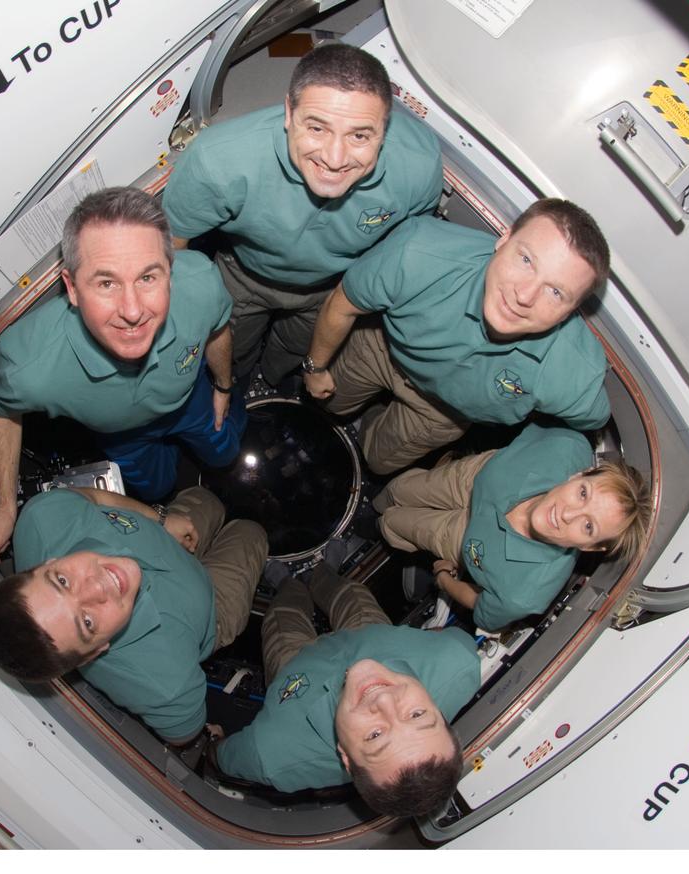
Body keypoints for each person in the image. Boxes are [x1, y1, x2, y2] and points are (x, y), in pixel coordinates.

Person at [0, 186, 244, 563]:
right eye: (106, 283)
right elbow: (1, 411)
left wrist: (223, 384)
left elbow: (217, 329)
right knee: (157, 486)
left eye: (148, 278)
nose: (132, 311)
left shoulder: (198, 282)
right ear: (71, 288)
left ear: (171, 271)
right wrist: (6, 506)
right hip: (124, 439)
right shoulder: (32, 367)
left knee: (225, 449)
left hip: (192, 401)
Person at [163, 42, 442, 386]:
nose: (335, 158)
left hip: (330, 289)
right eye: (317, 128)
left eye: (359, 135)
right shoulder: (218, 159)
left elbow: (409, 244)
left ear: (385, 131)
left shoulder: (419, 163)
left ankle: (276, 381)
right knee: (233, 352)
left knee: (294, 352)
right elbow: (171, 248)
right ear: (288, 113)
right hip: (243, 277)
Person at [303, 198, 612, 475]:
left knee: (378, 461)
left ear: (571, 312)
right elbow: (341, 303)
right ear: (504, 238)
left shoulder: (574, 375)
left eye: (556, 292)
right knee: (331, 406)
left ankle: (372, 423)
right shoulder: (419, 252)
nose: (525, 295)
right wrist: (315, 368)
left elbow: (591, 424)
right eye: (526, 260)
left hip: (443, 413)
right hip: (382, 348)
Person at [0, 485, 267, 744]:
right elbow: (184, 734)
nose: (98, 586)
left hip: (169, 533)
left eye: (62, 581)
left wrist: (161, 519)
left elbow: (89, 496)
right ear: (94, 653)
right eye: (87, 623)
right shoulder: (165, 684)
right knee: (252, 532)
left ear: (47, 563)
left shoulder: (44, 518)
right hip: (216, 608)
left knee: (207, 498)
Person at [211, 563, 477, 817]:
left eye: (375, 734)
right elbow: (452, 639)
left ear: (345, 759)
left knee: (284, 617)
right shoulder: (458, 661)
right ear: (439, 713)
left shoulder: (274, 755)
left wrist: (215, 742)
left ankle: (288, 583)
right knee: (350, 594)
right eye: (417, 715)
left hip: (293, 666)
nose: (384, 699)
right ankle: (320, 572)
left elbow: (223, 757)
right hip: (368, 633)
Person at [375, 422, 651, 630]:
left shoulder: (525, 593)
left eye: (588, 526)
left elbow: (481, 606)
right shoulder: (566, 445)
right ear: (581, 473)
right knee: (400, 488)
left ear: (590, 546)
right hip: (476, 478)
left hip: (460, 540)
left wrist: (444, 579)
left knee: (394, 523)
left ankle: (376, 523)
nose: (568, 514)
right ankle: (377, 501)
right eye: (583, 493)